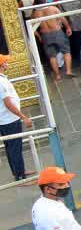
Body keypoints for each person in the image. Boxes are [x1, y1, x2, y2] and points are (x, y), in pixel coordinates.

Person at [0, 53, 34, 182]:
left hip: (5, 119)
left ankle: (18, 171)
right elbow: (8, 103)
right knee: (15, 147)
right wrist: (24, 117)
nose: (7, 63)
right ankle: (20, 177)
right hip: (9, 120)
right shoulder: (1, 82)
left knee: (11, 147)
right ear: (2, 64)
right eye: (5, 61)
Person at [32, 0, 73, 80]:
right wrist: (68, 27)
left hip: (45, 35)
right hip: (57, 32)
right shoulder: (53, 8)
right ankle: (68, 71)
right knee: (66, 51)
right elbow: (63, 18)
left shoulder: (34, 14)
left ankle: (57, 75)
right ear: (45, 2)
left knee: (52, 56)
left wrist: (39, 37)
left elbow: (32, 28)